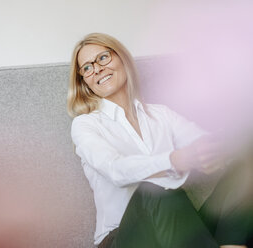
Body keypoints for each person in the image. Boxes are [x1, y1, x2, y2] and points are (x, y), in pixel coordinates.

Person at [67, 32, 253, 248]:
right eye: (87, 68)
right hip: (125, 238)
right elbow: (115, 169)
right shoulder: (85, 125)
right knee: (156, 190)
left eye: (103, 58)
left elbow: (202, 142)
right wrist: (173, 160)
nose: (97, 68)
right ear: (85, 81)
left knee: (245, 169)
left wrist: (222, 147)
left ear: (122, 59)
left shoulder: (161, 114)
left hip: (177, 231)